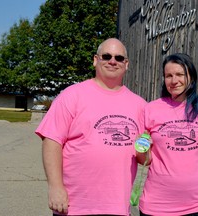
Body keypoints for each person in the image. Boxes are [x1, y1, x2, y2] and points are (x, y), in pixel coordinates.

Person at [35, 38, 147, 215]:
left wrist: (146, 148)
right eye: (106, 56)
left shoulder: (140, 105)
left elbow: (143, 157)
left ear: (126, 64)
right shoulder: (72, 95)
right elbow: (52, 141)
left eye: (119, 58)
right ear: (96, 60)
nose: (112, 61)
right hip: (74, 206)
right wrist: (55, 187)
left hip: (117, 208)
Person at [137, 53, 198, 216]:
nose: (174, 81)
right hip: (157, 206)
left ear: (191, 77)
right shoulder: (150, 110)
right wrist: (142, 147)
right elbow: (144, 160)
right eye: (169, 76)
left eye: (180, 74)